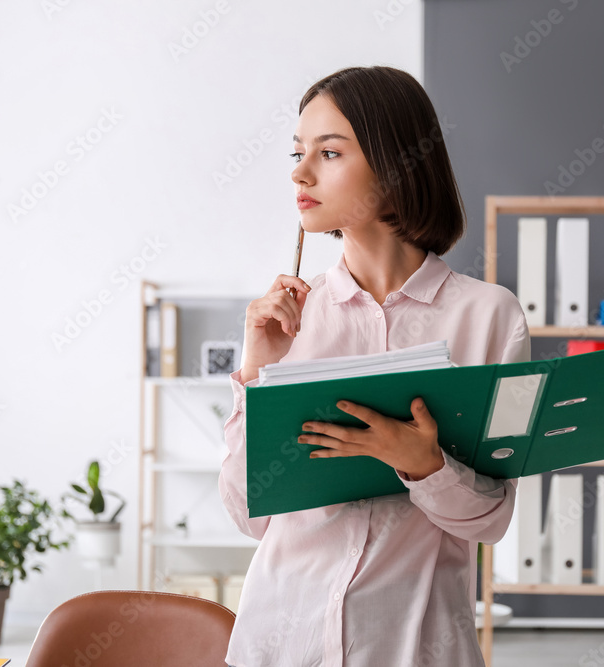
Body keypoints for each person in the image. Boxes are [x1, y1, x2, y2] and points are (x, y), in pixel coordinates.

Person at [218, 65, 530, 667]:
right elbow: (247, 513)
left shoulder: (490, 317)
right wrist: (256, 373)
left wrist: (423, 465)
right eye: (298, 152)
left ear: (396, 166)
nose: (300, 172)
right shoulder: (287, 321)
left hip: (415, 646)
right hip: (281, 644)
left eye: (329, 152)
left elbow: (490, 518)